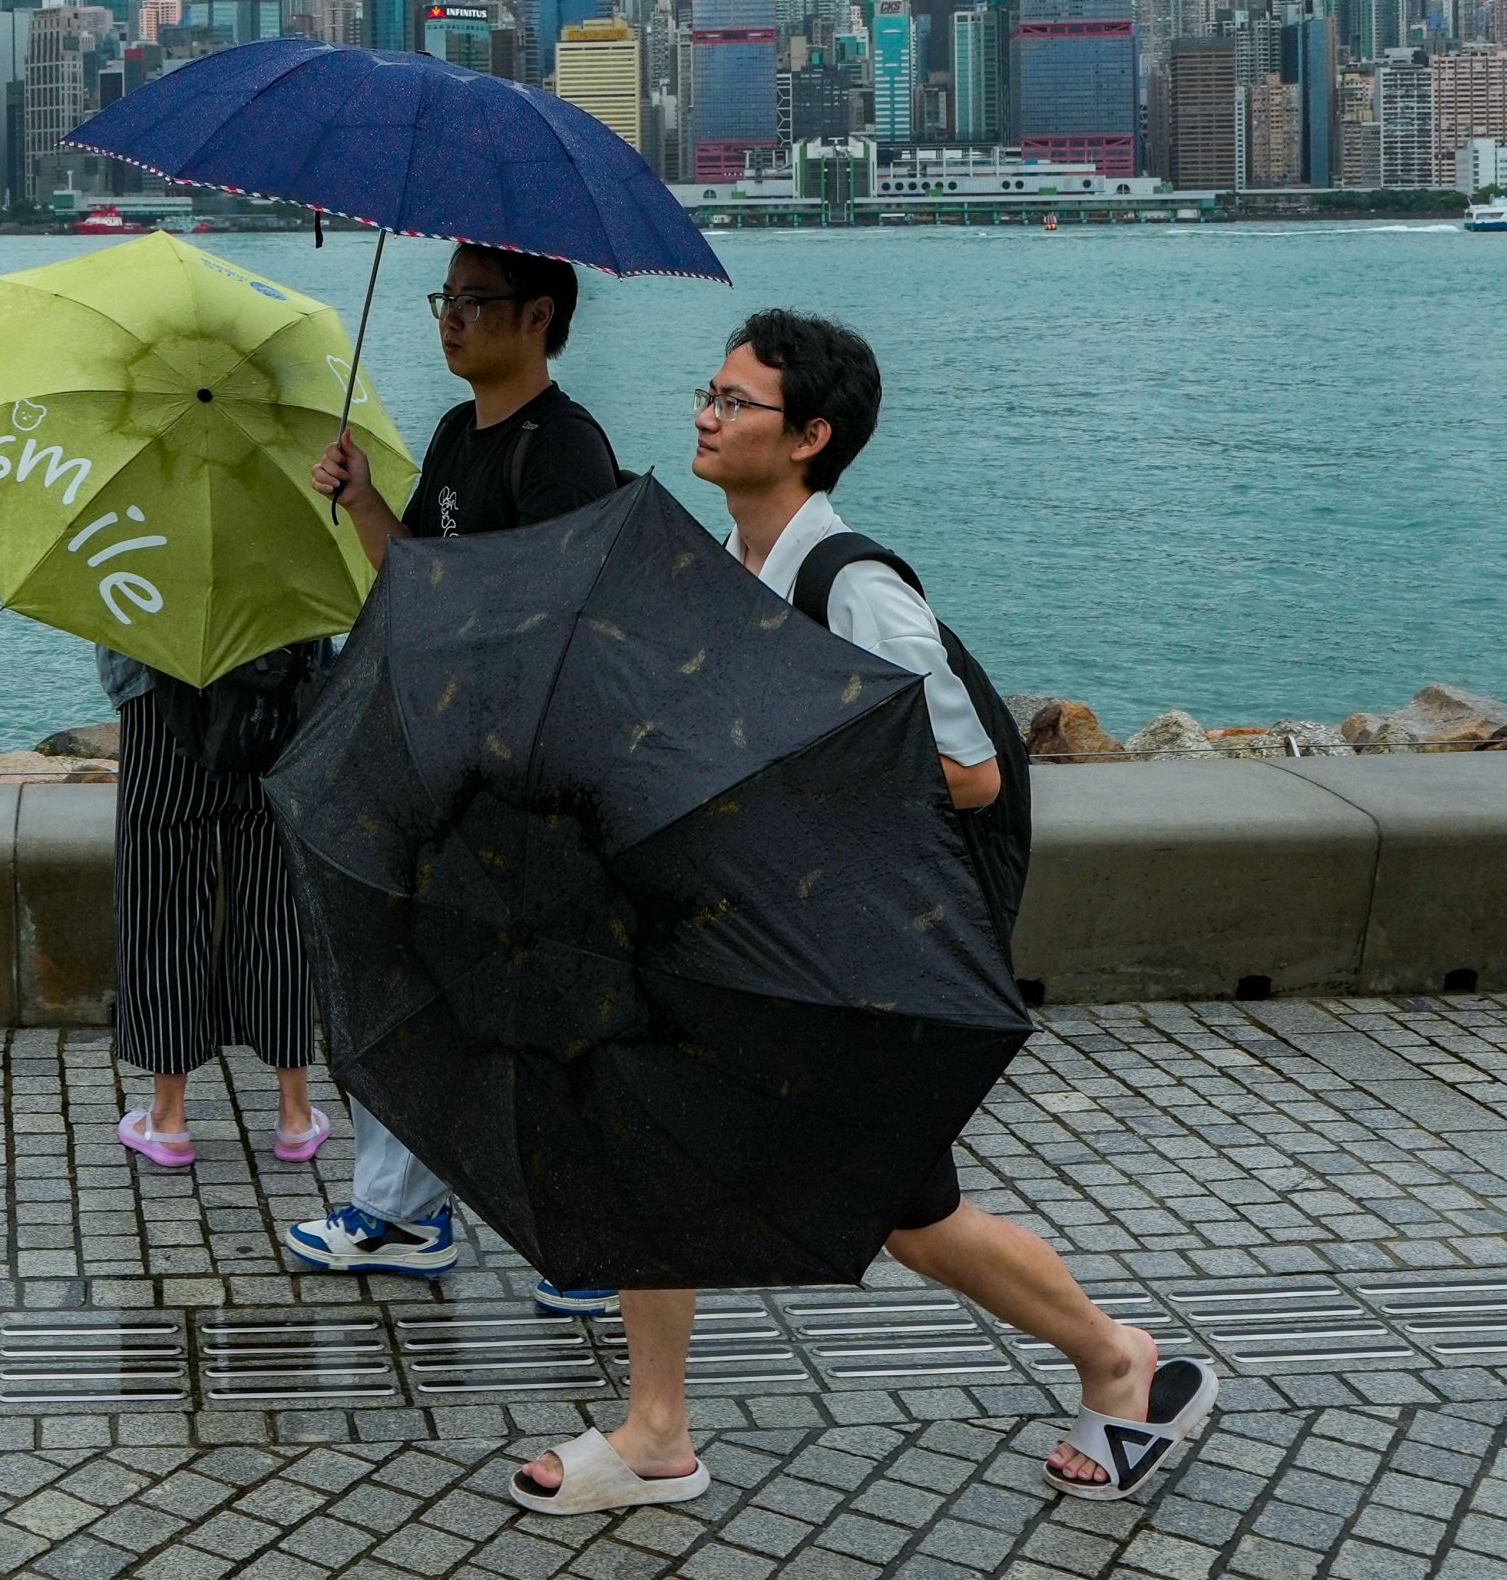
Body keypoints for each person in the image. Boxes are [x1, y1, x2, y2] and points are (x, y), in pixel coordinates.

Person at [511, 309, 1211, 1516]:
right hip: (801, 921)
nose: (706, 414)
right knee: (644, 1122)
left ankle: (1120, 1364)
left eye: (736, 402)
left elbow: (970, 776)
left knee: (910, 1216)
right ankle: (655, 1433)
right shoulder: (740, 568)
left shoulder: (854, 585)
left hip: (881, 944)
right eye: (708, 392)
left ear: (811, 437)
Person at [285, 240, 622, 1319]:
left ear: (538, 316)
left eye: (474, 304)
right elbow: (417, 584)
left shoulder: (564, 450)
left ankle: (584, 1237)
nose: (450, 321)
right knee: (418, 979)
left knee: (533, 1004)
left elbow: (562, 621)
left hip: (526, 782)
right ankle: (407, 1212)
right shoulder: (450, 435)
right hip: (448, 764)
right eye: (445, 301)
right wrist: (365, 504)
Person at [102, 637, 330, 1173]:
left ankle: (168, 1116)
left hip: (163, 688)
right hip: (277, 683)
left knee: (162, 896)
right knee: (279, 900)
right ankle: (296, 1114)